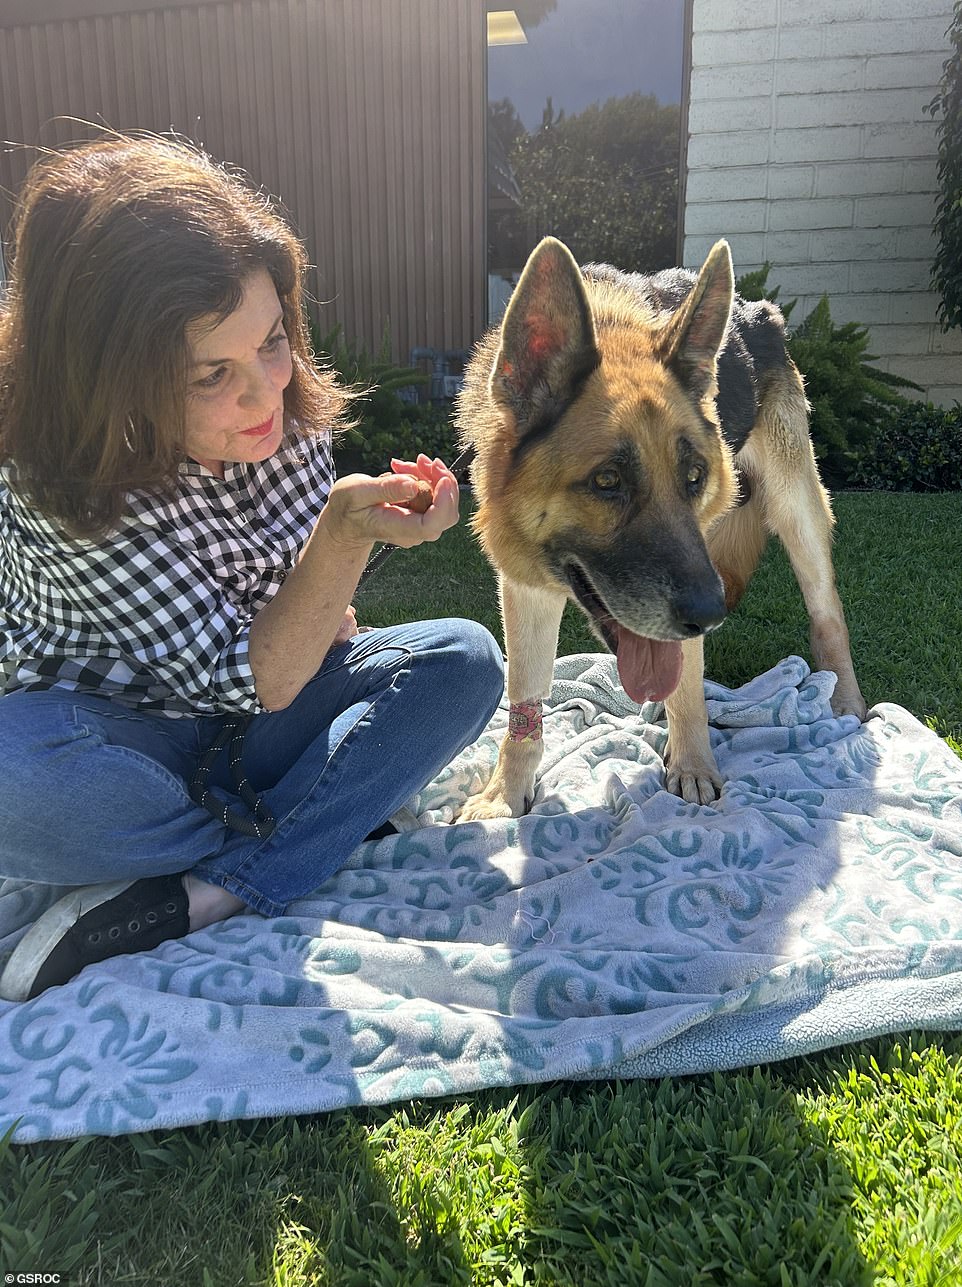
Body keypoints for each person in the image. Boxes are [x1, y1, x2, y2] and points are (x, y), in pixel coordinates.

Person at [0, 134, 504, 1003]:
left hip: (251, 732)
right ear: (108, 376)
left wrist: (350, 557)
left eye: (273, 340)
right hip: (116, 744)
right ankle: (330, 809)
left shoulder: (288, 414)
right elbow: (249, 672)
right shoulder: (57, 482)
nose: (266, 393)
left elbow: (293, 631)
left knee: (462, 660)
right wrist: (343, 542)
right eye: (211, 373)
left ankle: (208, 890)